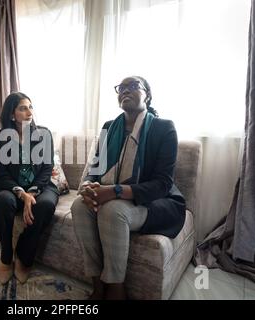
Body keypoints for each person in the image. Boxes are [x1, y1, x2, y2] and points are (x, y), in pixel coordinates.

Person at [71, 76, 186, 300]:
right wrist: (87, 185)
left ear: (147, 95)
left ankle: (116, 288)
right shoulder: (109, 128)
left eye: (133, 86)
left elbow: (162, 183)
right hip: (115, 197)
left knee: (112, 210)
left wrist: (114, 191)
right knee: (79, 206)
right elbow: (96, 167)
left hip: (154, 202)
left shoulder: (163, 128)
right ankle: (97, 284)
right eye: (121, 88)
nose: (125, 90)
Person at [0, 92, 59, 285]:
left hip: (41, 186)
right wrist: (22, 194)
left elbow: (47, 168)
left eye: (31, 107)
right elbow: (2, 174)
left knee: (44, 205)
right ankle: (5, 258)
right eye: (23, 108)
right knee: (3, 202)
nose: (30, 112)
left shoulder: (43, 134)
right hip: (11, 187)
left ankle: (23, 255)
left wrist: (32, 193)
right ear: (12, 115)